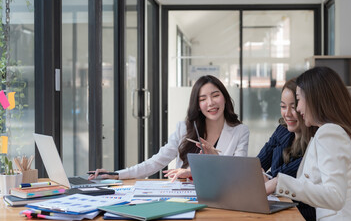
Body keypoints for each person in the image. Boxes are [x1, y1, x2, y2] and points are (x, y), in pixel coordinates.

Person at [265, 66, 351, 221]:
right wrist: (275, 182)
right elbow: (314, 185)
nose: (298, 109)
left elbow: (335, 196)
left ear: (315, 99)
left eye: (299, 100)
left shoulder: (330, 133)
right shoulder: (336, 131)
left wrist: (279, 183)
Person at [89, 75, 249, 180]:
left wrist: (204, 166)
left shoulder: (240, 132)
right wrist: (116, 175)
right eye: (203, 99)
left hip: (220, 200)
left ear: (225, 98)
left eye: (215, 95)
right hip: (184, 198)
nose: (211, 103)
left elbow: (237, 175)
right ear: (198, 106)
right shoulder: (184, 129)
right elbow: (156, 162)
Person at [257, 78, 317, 221]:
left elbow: (283, 178)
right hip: (280, 208)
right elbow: (258, 163)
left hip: (302, 216)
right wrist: (265, 176)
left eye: (294, 107)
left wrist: (267, 177)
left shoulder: (316, 142)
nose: (287, 114)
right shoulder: (282, 130)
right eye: (283, 106)